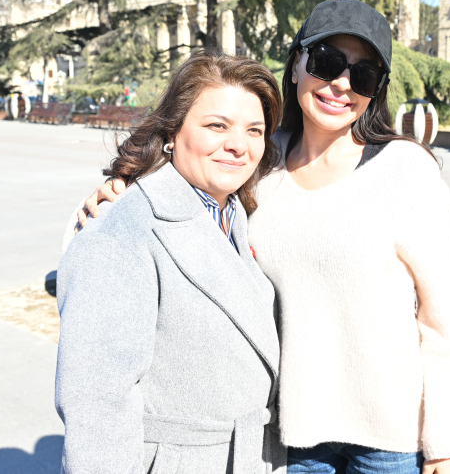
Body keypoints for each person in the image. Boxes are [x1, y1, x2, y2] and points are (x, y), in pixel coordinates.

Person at [80, 0, 450, 474]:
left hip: (390, 439)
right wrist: (122, 187)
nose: (342, 84)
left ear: (376, 92)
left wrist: (444, 444)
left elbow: (441, 321)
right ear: (297, 64)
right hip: (292, 436)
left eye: (364, 76)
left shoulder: (407, 171)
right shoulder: (260, 162)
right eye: (327, 62)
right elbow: (191, 169)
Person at [57, 51, 285, 474]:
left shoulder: (235, 213)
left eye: (255, 130)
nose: (239, 145)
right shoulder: (121, 233)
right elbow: (97, 406)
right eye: (217, 125)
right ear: (172, 132)